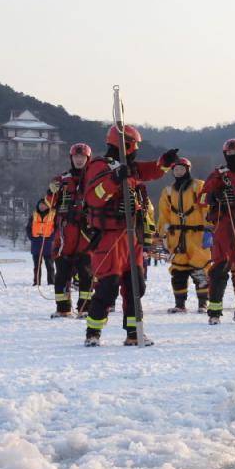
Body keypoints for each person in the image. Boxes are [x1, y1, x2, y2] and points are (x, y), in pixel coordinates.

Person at [81, 125, 179, 346]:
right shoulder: (99, 166)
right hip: (109, 237)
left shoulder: (130, 167)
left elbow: (151, 170)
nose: (135, 151)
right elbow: (94, 197)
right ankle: (93, 333)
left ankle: (134, 332)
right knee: (108, 286)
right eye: (134, 147)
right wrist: (114, 179)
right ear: (124, 145)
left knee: (136, 285)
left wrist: (165, 161)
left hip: (131, 235)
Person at [199, 139, 235, 325]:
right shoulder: (218, 175)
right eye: (230, 155)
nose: (233, 158)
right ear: (225, 156)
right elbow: (201, 198)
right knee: (219, 268)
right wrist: (215, 196)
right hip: (224, 224)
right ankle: (215, 310)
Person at [157, 158, 211, 314]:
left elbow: (206, 207)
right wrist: (164, 233)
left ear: (187, 170)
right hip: (177, 237)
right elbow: (164, 214)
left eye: (181, 169)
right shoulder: (168, 191)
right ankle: (180, 304)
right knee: (178, 271)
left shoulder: (198, 186)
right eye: (175, 170)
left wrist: (209, 228)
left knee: (200, 270)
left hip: (197, 235)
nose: (178, 172)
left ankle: (203, 303)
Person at [48, 143, 94, 317]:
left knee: (86, 274)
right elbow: (49, 204)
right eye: (76, 157)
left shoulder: (93, 179)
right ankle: (63, 308)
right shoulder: (62, 179)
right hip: (65, 234)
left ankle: (85, 308)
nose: (79, 160)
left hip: (85, 233)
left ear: (87, 159)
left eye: (82, 157)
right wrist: (51, 192)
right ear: (71, 158)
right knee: (61, 275)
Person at [27, 197, 56, 286]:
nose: (42, 207)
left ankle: (51, 282)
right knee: (37, 266)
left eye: (44, 205)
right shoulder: (34, 215)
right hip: (36, 243)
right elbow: (28, 228)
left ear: (48, 206)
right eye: (40, 205)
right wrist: (32, 237)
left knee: (49, 265)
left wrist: (51, 238)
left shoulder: (53, 215)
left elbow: (56, 229)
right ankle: (36, 282)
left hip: (48, 244)